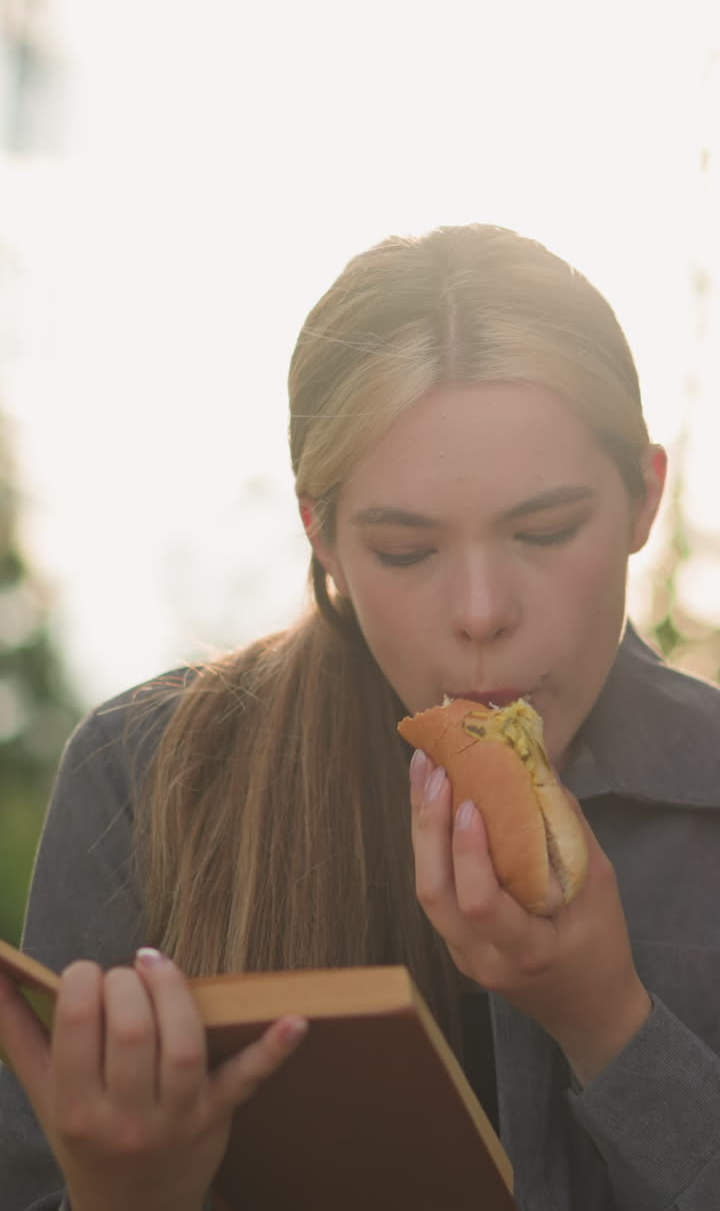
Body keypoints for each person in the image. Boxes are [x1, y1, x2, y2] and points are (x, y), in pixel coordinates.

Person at [1, 223, 719, 1211]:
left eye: (545, 530)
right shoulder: (145, 776)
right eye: (406, 549)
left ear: (644, 498)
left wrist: (608, 1021)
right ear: (323, 533)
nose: (480, 610)